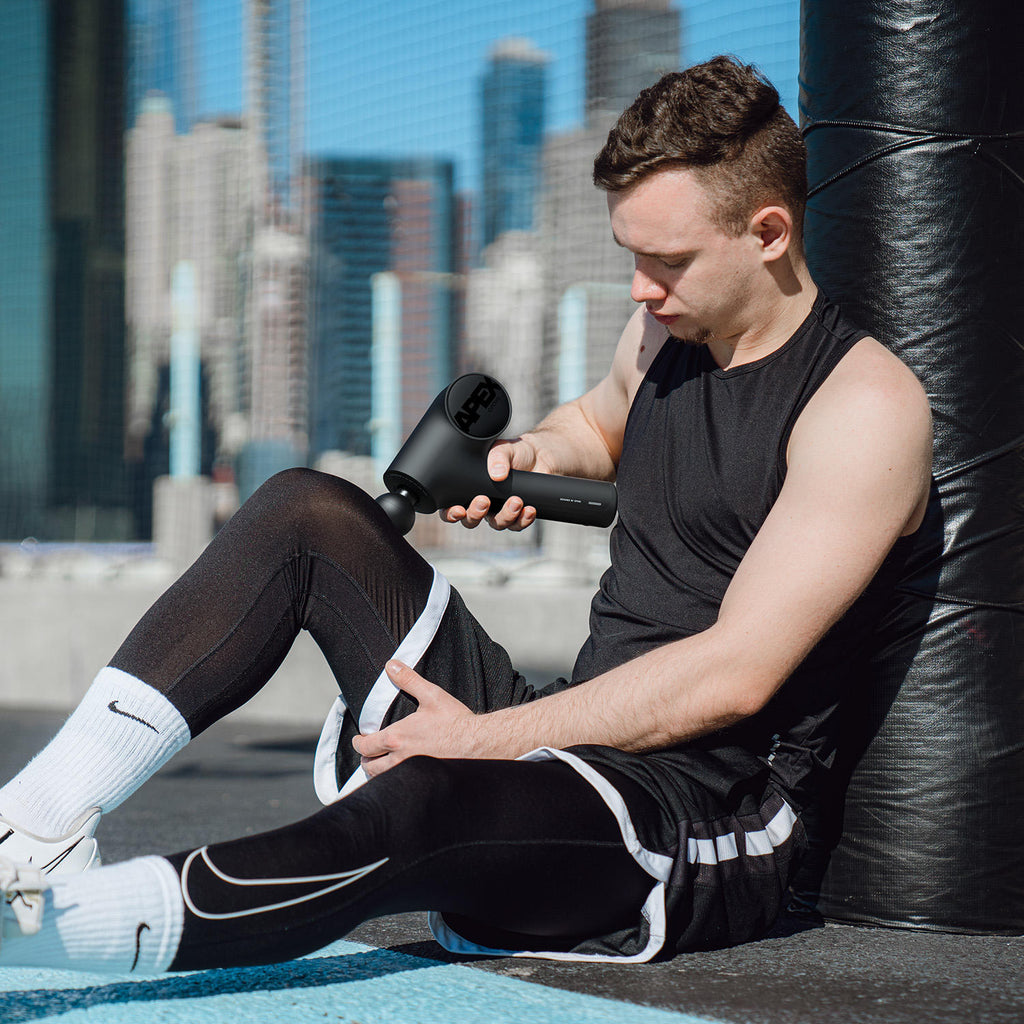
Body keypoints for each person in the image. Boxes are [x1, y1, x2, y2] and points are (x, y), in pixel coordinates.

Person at [0, 56, 933, 974]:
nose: (642, 287)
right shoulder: (663, 328)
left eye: (669, 260)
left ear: (769, 233)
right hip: (566, 735)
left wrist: (485, 741)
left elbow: (736, 673)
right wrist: (533, 457)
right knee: (305, 512)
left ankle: (46, 932)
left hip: (700, 812)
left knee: (431, 798)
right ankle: (30, 836)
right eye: (631, 257)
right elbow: (596, 425)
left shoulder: (862, 409)